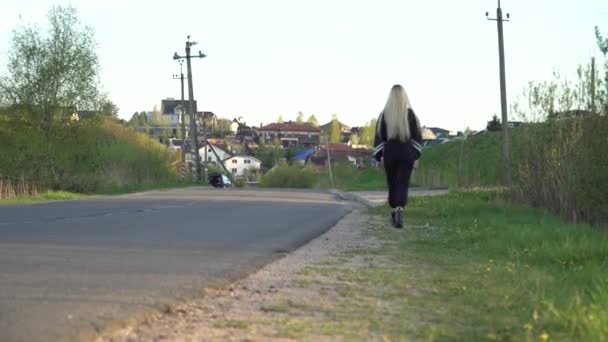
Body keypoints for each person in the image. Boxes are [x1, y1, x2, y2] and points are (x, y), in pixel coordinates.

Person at [373, 84, 422, 228]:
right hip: (407, 153)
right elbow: (417, 137)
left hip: (391, 153)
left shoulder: (384, 115)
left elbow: (379, 136)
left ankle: (394, 209)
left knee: (392, 182)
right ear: (404, 97)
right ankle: (399, 209)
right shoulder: (411, 114)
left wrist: (378, 157)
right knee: (402, 183)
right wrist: (416, 156)